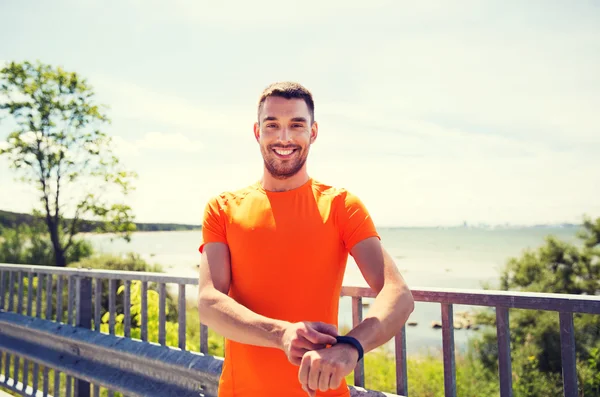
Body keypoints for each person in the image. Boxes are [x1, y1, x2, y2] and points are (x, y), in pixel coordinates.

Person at [198, 82, 414, 397]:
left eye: (296, 125)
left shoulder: (341, 206)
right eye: (272, 125)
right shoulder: (222, 208)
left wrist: (350, 347)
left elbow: (398, 295)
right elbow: (208, 303)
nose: (284, 138)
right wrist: (281, 334)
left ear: (313, 132)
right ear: (257, 132)